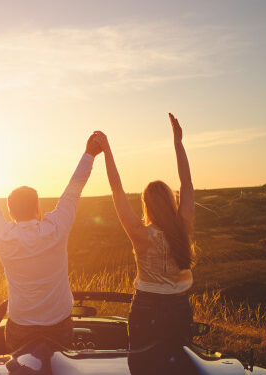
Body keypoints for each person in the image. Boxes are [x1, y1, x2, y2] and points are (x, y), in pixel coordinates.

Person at [0, 134, 102, 353]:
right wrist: (89, 154)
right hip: (59, 324)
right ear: (37, 208)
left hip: (21, 326)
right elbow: (73, 192)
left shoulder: (2, 236)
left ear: (10, 212)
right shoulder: (55, 229)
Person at [95, 113, 196, 374]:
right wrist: (178, 143)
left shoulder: (140, 234)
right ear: (171, 202)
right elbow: (186, 182)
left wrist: (107, 151)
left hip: (145, 307)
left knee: (142, 368)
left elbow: (117, 190)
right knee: (176, 368)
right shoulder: (184, 226)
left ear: (147, 206)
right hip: (178, 307)